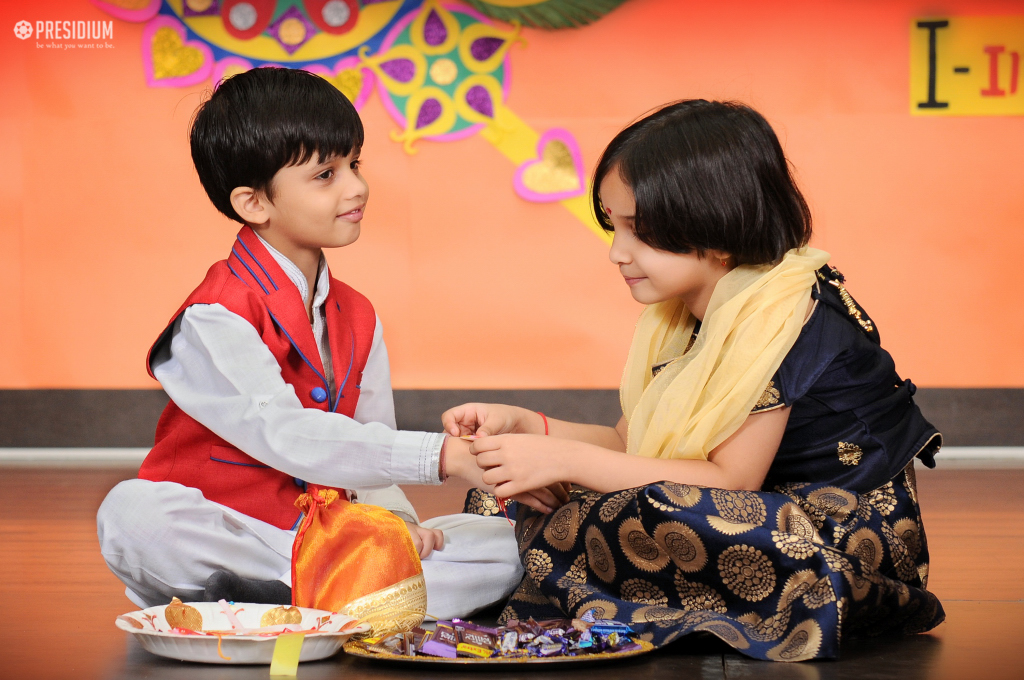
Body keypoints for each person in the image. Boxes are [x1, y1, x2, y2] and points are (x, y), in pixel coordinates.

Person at [445, 100, 944, 661]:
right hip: (742, 506)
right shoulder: (688, 314)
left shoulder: (783, 316)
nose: (616, 251)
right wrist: (528, 429)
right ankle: (582, 579)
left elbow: (729, 482)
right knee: (512, 493)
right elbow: (630, 445)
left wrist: (563, 462)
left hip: (828, 537)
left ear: (717, 218)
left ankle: (562, 583)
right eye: (614, 225)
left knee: (642, 509)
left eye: (640, 230)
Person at [96, 67, 538, 620]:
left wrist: (397, 525)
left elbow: (371, 444)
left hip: (322, 536)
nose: (356, 187)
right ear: (255, 203)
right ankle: (348, 597)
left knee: (502, 544)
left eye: (354, 163)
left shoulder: (359, 314)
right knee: (132, 514)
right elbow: (287, 436)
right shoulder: (212, 318)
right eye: (326, 174)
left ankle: (286, 602)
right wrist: (443, 455)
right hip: (236, 531)